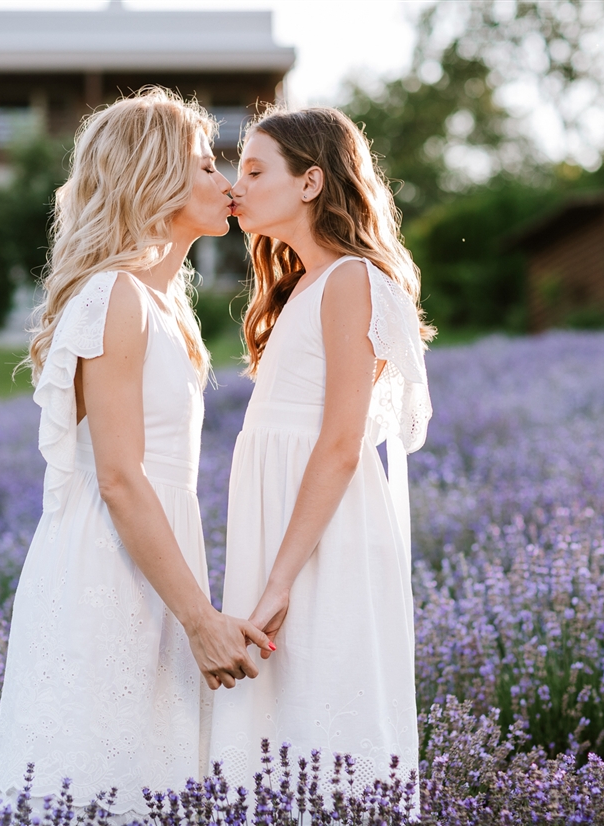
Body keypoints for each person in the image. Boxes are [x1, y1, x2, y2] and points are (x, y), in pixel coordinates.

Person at [0, 88, 272, 819]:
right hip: (110, 569)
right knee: (104, 782)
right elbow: (118, 478)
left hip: (152, 559)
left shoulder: (158, 303)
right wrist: (201, 620)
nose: (225, 181)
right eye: (204, 166)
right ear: (154, 180)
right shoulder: (114, 297)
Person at [208, 107, 434, 798]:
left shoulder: (352, 281)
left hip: (323, 534)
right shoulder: (300, 286)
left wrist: (279, 580)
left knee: (327, 706)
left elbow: (341, 443)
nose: (234, 186)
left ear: (310, 182)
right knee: (282, 719)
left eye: (253, 170)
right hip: (285, 525)